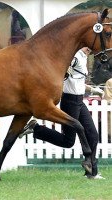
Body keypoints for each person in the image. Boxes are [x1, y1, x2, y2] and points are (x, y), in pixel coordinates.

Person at [19, 47, 105, 179]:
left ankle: (91, 172)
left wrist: (94, 90)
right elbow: (63, 74)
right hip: (70, 101)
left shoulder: (84, 56)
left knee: (93, 134)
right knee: (68, 141)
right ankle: (35, 128)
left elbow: (78, 81)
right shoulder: (75, 57)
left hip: (79, 101)